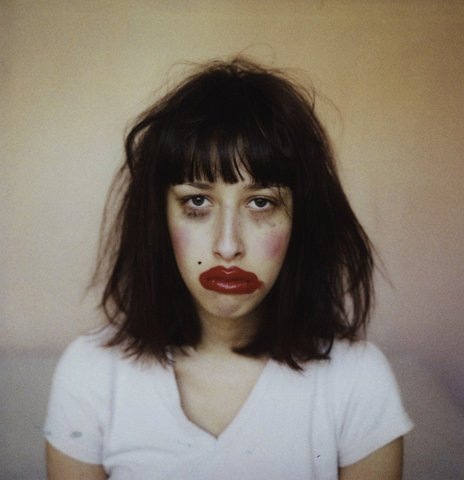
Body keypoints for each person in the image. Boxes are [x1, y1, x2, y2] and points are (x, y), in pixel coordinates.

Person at [44, 57, 413, 479]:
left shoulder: (358, 381)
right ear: (159, 218)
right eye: (197, 201)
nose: (227, 246)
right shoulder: (90, 374)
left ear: (301, 220)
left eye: (261, 202)